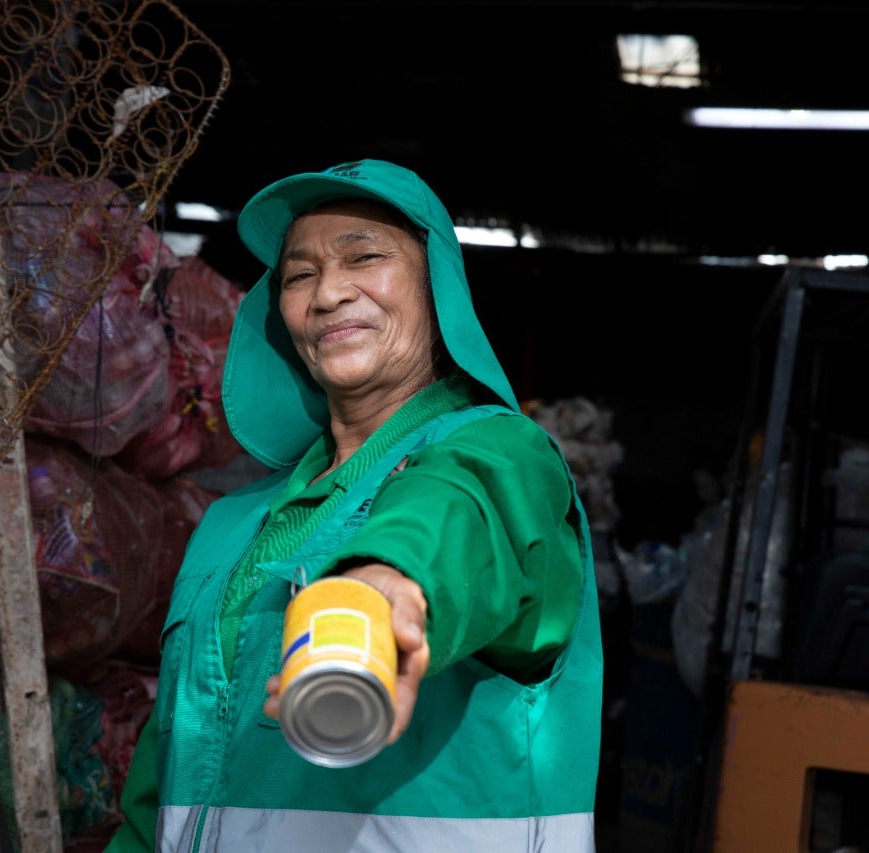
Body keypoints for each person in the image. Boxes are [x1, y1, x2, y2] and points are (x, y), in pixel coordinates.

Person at [105, 158, 602, 852]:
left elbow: (457, 510)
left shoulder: (504, 455)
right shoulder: (230, 525)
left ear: (438, 288)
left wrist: (382, 586)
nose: (329, 292)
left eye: (363, 257)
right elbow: (165, 786)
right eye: (300, 274)